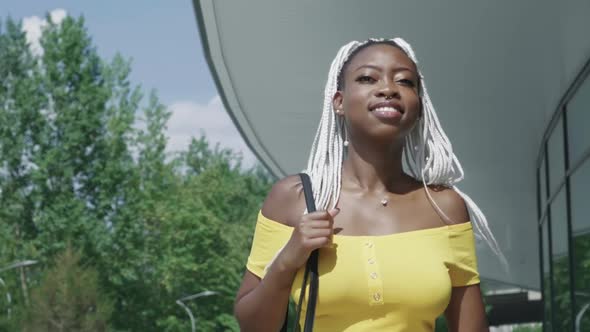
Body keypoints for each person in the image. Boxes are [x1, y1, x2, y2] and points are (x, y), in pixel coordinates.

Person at [234, 37, 503, 332]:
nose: (388, 89)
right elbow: (252, 325)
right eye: (367, 78)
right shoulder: (294, 199)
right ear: (339, 102)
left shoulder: (445, 207)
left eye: (405, 81)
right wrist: (287, 260)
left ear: (419, 106)